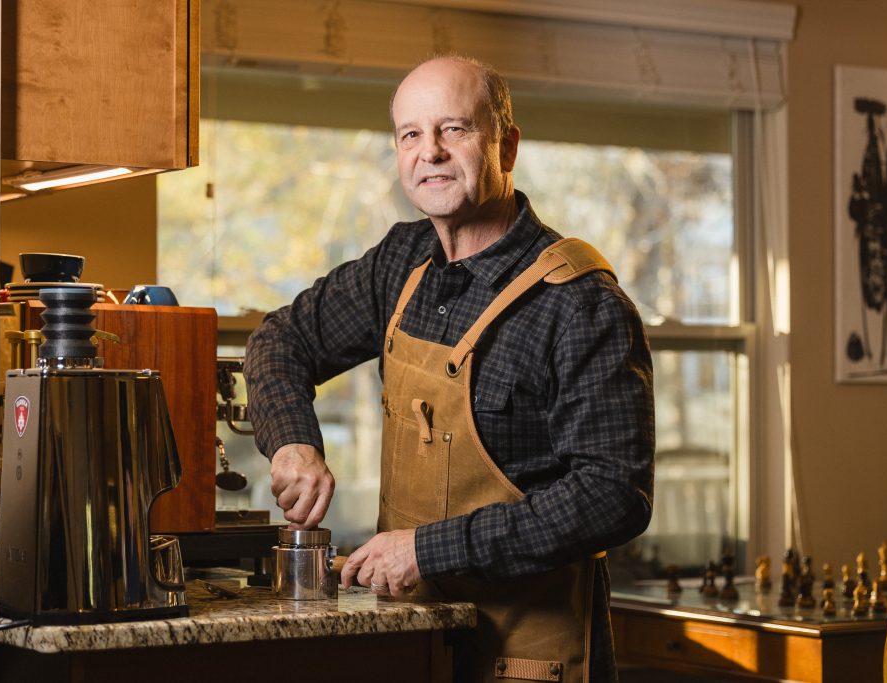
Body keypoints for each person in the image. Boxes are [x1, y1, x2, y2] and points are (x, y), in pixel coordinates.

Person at [244, 54, 654, 683]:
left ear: (506, 146)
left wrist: (427, 550)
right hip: (409, 645)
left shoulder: (580, 303)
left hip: (526, 659)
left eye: (454, 129)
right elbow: (281, 339)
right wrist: (292, 443)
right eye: (410, 134)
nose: (429, 151)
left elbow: (613, 495)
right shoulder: (400, 262)